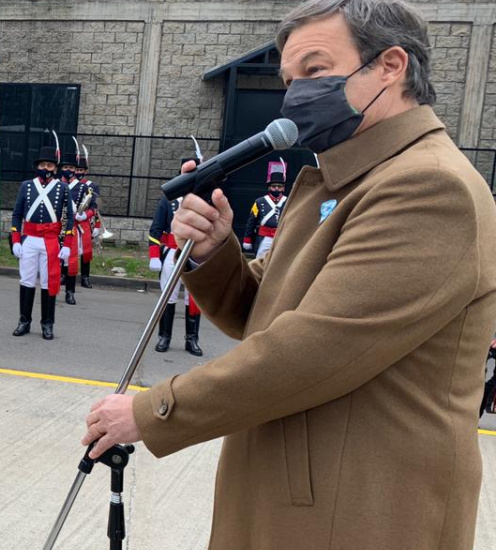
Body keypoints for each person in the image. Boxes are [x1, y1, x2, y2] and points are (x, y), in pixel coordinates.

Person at [83, 2, 496, 548]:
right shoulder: (341, 182)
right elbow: (264, 312)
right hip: (298, 490)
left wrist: (154, 410)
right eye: (289, 79)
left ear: (391, 66)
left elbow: (314, 349)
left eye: (316, 70)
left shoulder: (426, 188)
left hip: (357, 508)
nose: (295, 94)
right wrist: (214, 252)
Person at [9, 146, 74, 340]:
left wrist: (68, 244)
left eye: (50, 165)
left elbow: (69, 217)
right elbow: (17, 214)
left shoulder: (62, 187)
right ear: (37, 166)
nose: (47, 168)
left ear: (55, 168)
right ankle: (24, 321)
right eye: (43, 164)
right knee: (27, 280)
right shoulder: (26, 186)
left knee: (48, 282)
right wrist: (15, 240)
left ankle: (47, 324)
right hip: (29, 238)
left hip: (51, 241)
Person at [147, 160, 203, 356]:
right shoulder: (167, 199)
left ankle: (192, 340)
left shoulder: (205, 199)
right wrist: (154, 255)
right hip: (171, 253)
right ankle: (164, 336)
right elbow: (155, 230)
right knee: (167, 297)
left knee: (194, 298)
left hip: (195, 255)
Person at [243, 159, 289, 259]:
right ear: (269, 187)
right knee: (260, 261)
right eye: (273, 186)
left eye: (279, 186)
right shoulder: (259, 202)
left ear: (283, 188)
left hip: (281, 237)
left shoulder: (288, 201)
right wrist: (247, 239)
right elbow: (251, 221)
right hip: (264, 237)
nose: (276, 188)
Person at [59, 152, 87, 305]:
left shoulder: (82, 187)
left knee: (71, 262)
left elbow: (93, 207)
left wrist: (85, 215)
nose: (68, 169)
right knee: (55, 260)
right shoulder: (55, 185)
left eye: (71, 167)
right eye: (65, 167)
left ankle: (70, 292)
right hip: (57, 228)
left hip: (72, 228)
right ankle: (53, 288)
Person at [75, 152, 99, 288]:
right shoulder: (67, 184)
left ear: (86, 171)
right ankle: (64, 275)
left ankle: (85, 277)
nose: (79, 172)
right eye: (77, 170)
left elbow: (97, 207)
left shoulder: (92, 186)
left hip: (86, 221)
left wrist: (97, 225)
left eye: (81, 170)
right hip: (70, 221)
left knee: (86, 250)